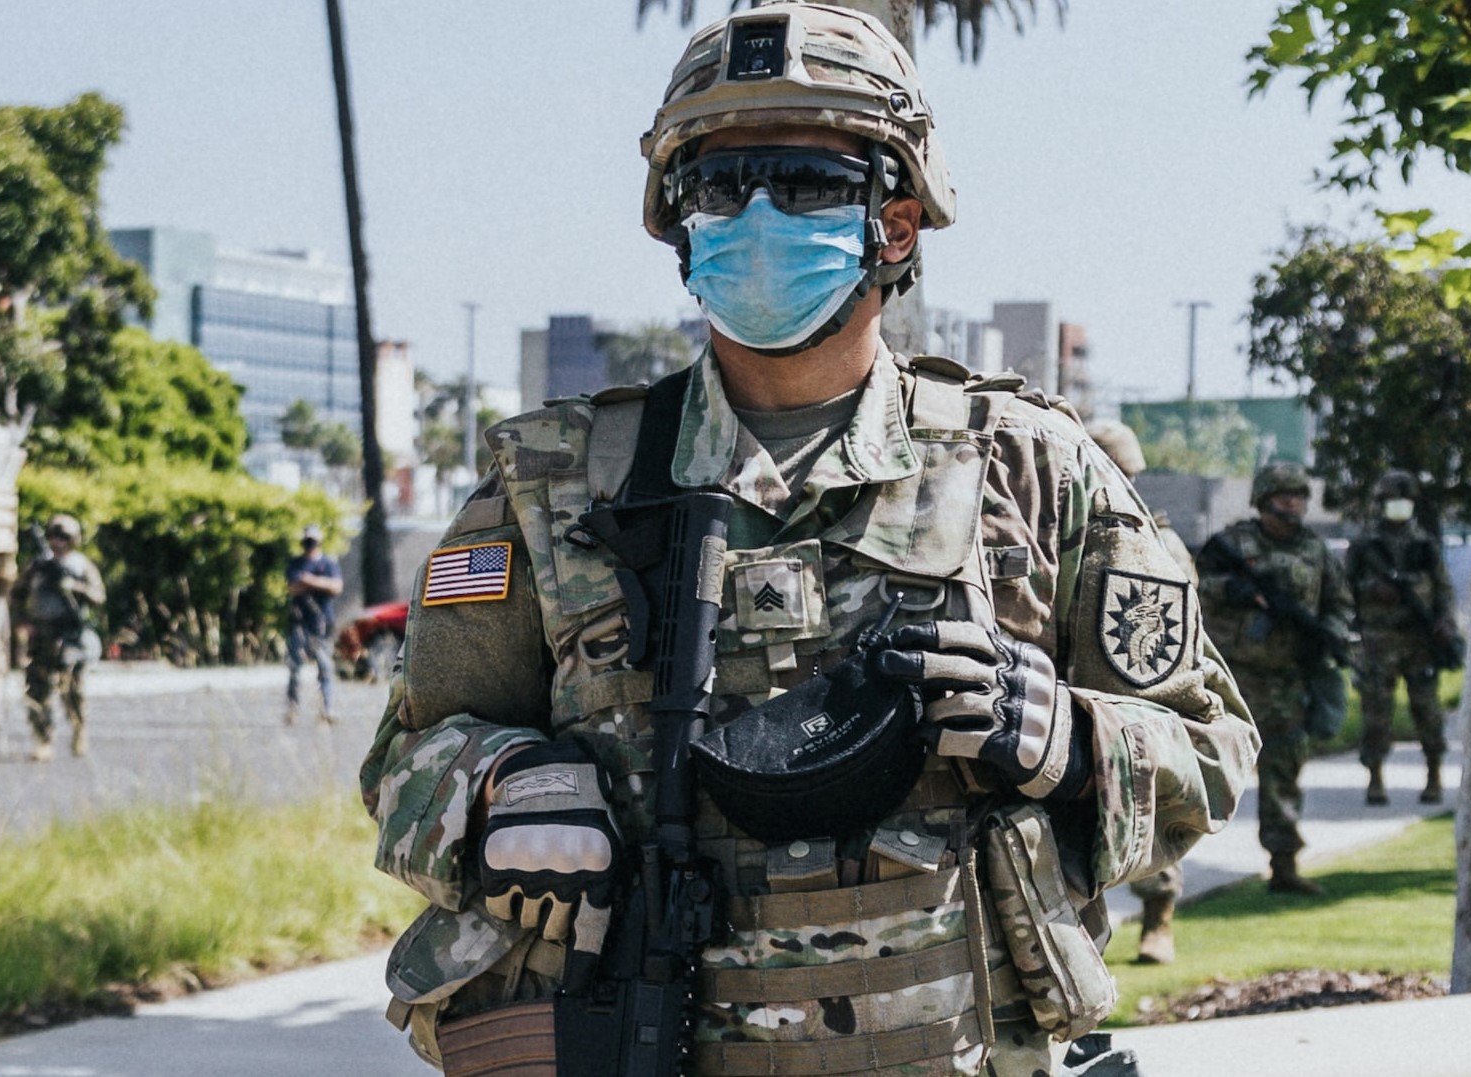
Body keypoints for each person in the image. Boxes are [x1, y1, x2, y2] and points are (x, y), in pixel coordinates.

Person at [360, 6, 1259, 1074]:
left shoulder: (1032, 467)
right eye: (716, 186)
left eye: (804, 184)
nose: (753, 215)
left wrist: (1064, 737)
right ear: (677, 223)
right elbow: (405, 756)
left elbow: (1207, 750)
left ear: (897, 222)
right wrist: (502, 782)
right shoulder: (549, 481)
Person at [1195, 461, 1352, 896]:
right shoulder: (1230, 544)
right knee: (1206, 769)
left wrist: (1332, 634)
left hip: (1286, 679)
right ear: (1264, 500)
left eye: (1299, 497)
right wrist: (1232, 590)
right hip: (1231, 679)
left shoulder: (1315, 551)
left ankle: (1283, 866)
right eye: (1283, 497)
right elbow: (1192, 586)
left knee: (1283, 771)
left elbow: (1338, 602)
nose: (1293, 505)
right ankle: (1169, 868)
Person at [1086, 420, 1189, 965]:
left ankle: (1158, 922)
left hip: (1142, 699)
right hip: (1075, 701)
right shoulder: (1056, 527)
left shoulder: (1156, 539)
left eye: (1126, 473)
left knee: (1150, 813)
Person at [1344, 470, 1457, 806]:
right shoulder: (1365, 546)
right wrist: (1371, 590)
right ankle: (1375, 777)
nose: (1400, 508)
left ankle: (1434, 774)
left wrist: (1446, 621)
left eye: (1405, 502)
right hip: (1378, 640)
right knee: (1376, 712)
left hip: (1420, 640)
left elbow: (1443, 588)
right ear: (1381, 504)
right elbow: (1342, 590)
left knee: (1428, 711)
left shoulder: (1425, 544)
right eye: (1394, 501)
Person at [16, 514, 105, 762]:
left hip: (69, 636)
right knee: (37, 690)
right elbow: (17, 594)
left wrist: (75, 587)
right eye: (54, 536)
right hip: (41, 634)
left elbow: (99, 597)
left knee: (72, 688)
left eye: (63, 537)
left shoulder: (81, 566)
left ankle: (79, 729)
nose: (58, 542)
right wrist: (23, 622)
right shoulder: (38, 566)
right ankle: (43, 740)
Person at [284, 524, 342, 725]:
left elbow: (335, 587)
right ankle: (292, 708)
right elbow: (293, 587)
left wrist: (310, 581)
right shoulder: (295, 563)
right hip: (299, 623)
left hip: (322, 623)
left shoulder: (329, 563)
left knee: (325, 667)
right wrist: (319, 583)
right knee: (294, 667)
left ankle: (327, 708)